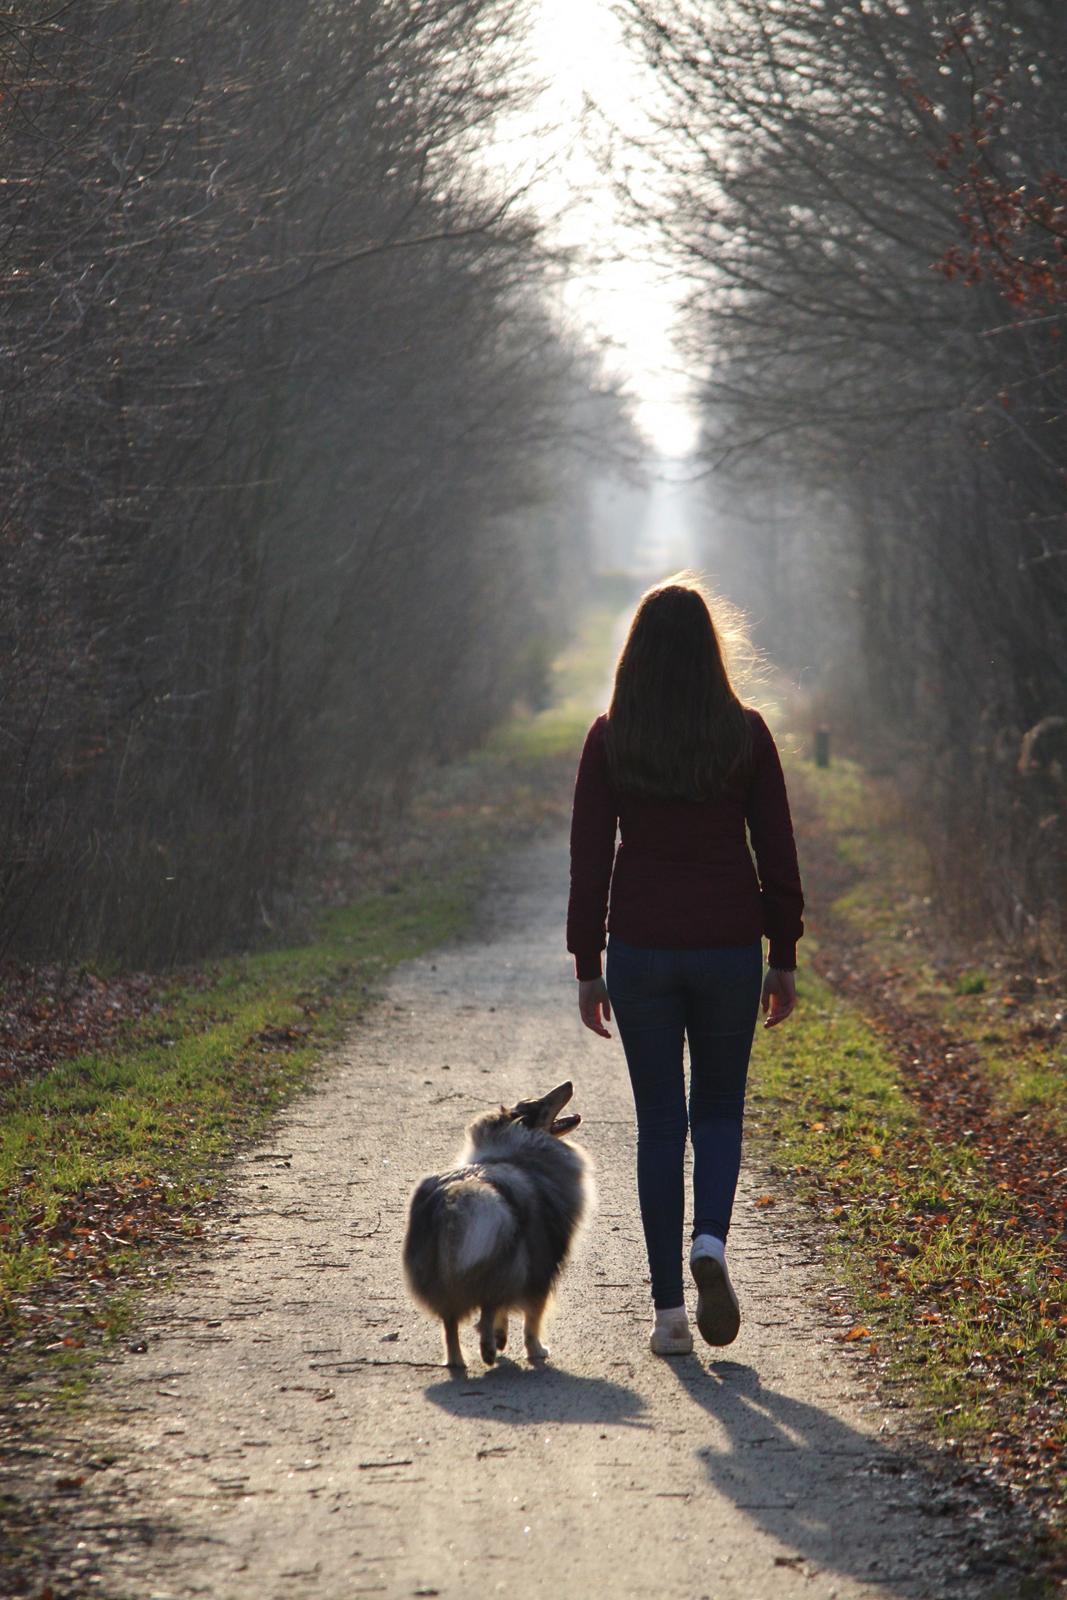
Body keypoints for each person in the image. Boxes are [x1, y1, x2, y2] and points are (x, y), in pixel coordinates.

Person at [566, 577, 804, 1356]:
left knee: (660, 1124)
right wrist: (784, 955)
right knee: (720, 1112)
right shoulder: (746, 734)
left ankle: (668, 1314)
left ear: (635, 655)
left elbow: (588, 861)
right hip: (729, 948)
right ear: (712, 653)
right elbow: (777, 854)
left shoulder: (611, 738)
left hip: (640, 950)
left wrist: (587, 963)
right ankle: (709, 1240)